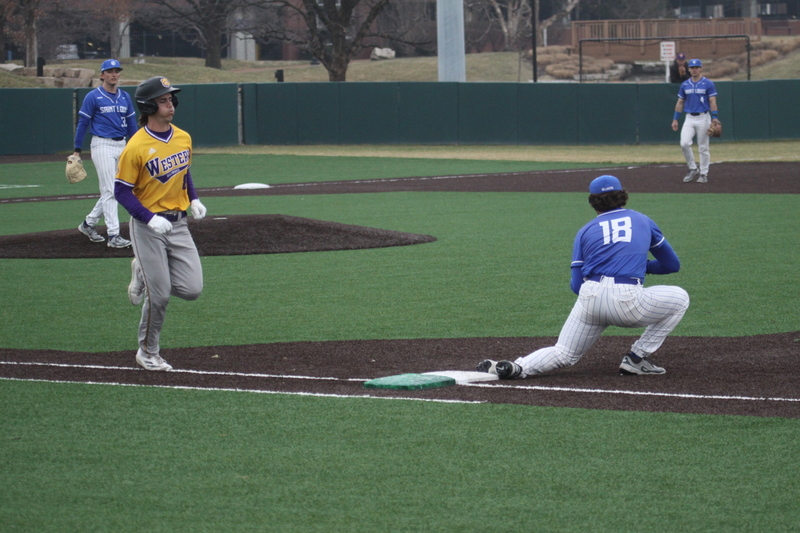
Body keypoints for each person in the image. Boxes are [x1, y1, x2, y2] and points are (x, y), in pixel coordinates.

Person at [477, 175, 690, 379]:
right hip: (628, 299)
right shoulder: (642, 220)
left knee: (564, 352)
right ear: (623, 196)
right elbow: (672, 265)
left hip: (590, 297)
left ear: (593, 202)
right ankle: (636, 358)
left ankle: (517, 367)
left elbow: (577, 285)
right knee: (680, 298)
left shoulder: (585, 231)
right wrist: (639, 267)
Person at [114, 76, 208, 371]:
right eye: (163, 100)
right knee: (160, 296)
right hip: (147, 227)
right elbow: (121, 191)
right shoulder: (136, 146)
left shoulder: (183, 137)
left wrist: (193, 199)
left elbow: (183, 172)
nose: (171, 105)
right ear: (148, 106)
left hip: (178, 225)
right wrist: (149, 218)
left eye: (171, 99)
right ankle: (147, 352)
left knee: (192, 289)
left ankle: (142, 272)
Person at [73, 59, 137, 248]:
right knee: (110, 190)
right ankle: (114, 235)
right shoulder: (93, 96)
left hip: (122, 145)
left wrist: (135, 147)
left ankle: (88, 224)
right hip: (102, 145)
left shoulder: (125, 96)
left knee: (118, 189)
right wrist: (77, 150)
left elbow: (132, 125)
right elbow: (83, 123)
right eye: (110, 71)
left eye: (117, 71)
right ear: (102, 75)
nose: (114, 74)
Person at [671, 58, 720, 184]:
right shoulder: (685, 84)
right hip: (689, 118)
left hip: (703, 117)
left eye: (696, 67)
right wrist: (675, 119)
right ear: (689, 69)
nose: (694, 70)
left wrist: (714, 117)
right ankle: (693, 168)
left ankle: (704, 173)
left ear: (701, 69)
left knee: (703, 147)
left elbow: (712, 101)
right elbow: (680, 102)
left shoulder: (708, 83)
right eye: (692, 68)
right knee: (684, 143)